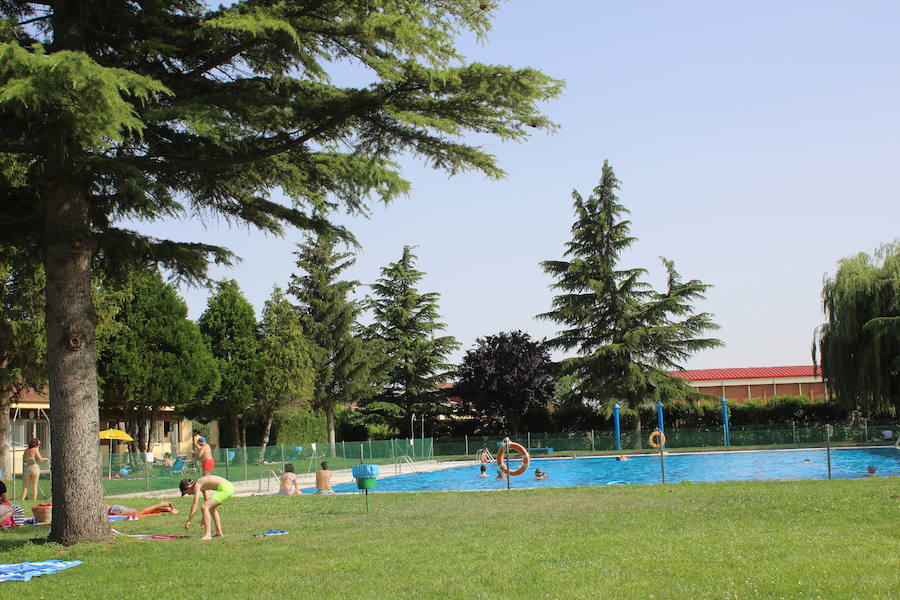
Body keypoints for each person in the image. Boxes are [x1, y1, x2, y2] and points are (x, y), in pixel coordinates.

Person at [181, 475, 233, 540]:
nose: (189, 494)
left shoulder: (197, 485)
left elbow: (195, 504)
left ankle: (208, 535)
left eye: (186, 492)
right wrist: (204, 518)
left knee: (204, 507)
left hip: (225, 488)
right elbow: (207, 500)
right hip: (228, 487)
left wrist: (189, 521)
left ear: (188, 487)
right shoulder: (200, 484)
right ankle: (219, 532)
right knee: (211, 508)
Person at [20, 437, 49, 502]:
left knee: (26, 486)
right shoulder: (35, 450)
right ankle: (34, 500)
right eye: (38, 444)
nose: (39, 446)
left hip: (27, 469)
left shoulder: (26, 450)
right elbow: (40, 459)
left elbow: (24, 460)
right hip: (34, 468)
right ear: (35, 444)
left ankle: (21, 500)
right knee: (34, 485)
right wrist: (46, 459)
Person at [106, 501, 179, 518]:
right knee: (142, 513)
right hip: (113, 508)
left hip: (112, 509)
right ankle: (165, 510)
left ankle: (161, 505)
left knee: (138, 513)